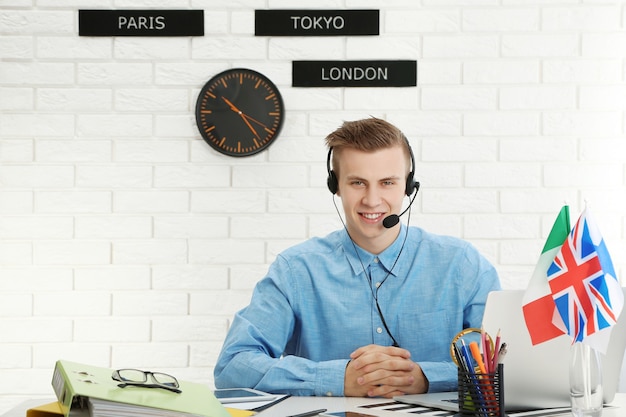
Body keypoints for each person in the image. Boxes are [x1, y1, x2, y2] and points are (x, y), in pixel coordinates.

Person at [214, 117, 501, 398]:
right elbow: (233, 366)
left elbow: (503, 363)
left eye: (387, 182)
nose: (372, 200)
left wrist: (425, 377)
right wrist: (339, 379)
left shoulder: (461, 265)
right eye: (358, 183)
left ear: (408, 186)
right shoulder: (296, 270)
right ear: (335, 185)